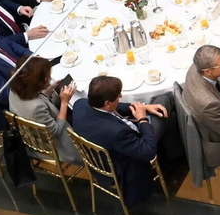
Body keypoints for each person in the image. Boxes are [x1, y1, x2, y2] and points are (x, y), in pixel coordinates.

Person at [69, 75, 166, 206]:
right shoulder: (117, 133)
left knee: (162, 108)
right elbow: (148, 151)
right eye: (117, 96)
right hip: (127, 164)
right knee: (164, 100)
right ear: (107, 103)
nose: (121, 96)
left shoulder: (80, 105)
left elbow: (115, 108)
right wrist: (142, 119)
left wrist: (144, 106)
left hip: (99, 159)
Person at [8, 55, 79, 163]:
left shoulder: (15, 90)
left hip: (34, 132)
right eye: (48, 76)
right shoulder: (36, 107)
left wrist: (50, 89)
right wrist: (64, 102)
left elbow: (37, 98)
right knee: (81, 112)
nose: (49, 78)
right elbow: (56, 131)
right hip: (57, 147)